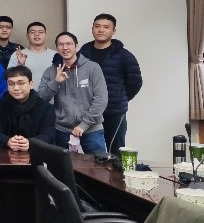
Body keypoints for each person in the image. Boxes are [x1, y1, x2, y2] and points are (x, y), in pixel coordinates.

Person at [79, 13, 143, 155]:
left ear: (114, 31)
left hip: (114, 112)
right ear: (92, 29)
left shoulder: (124, 55)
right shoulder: (83, 54)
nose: (101, 30)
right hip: (89, 112)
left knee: (115, 152)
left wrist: (119, 98)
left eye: (106, 27)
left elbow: (135, 83)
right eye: (97, 26)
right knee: (93, 154)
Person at [37, 32, 108, 154]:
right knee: (64, 165)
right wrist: (56, 82)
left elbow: (101, 100)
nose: (65, 47)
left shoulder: (92, 68)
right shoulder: (51, 71)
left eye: (69, 44)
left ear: (76, 46)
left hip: (92, 129)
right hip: (62, 130)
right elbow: (40, 98)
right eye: (61, 44)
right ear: (57, 48)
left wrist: (84, 125)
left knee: (99, 163)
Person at [0, 66, 55, 151]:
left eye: (21, 83)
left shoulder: (46, 108)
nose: (16, 88)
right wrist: (8, 141)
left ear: (31, 84)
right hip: (4, 153)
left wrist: (30, 143)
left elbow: (48, 136)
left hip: (36, 153)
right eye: (11, 84)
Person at [7, 22, 56, 87]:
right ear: (27, 36)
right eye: (33, 32)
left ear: (46, 36)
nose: (37, 34)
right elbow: (9, 78)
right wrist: (20, 64)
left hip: (51, 93)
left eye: (40, 32)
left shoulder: (56, 55)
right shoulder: (18, 54)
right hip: (26, 93)